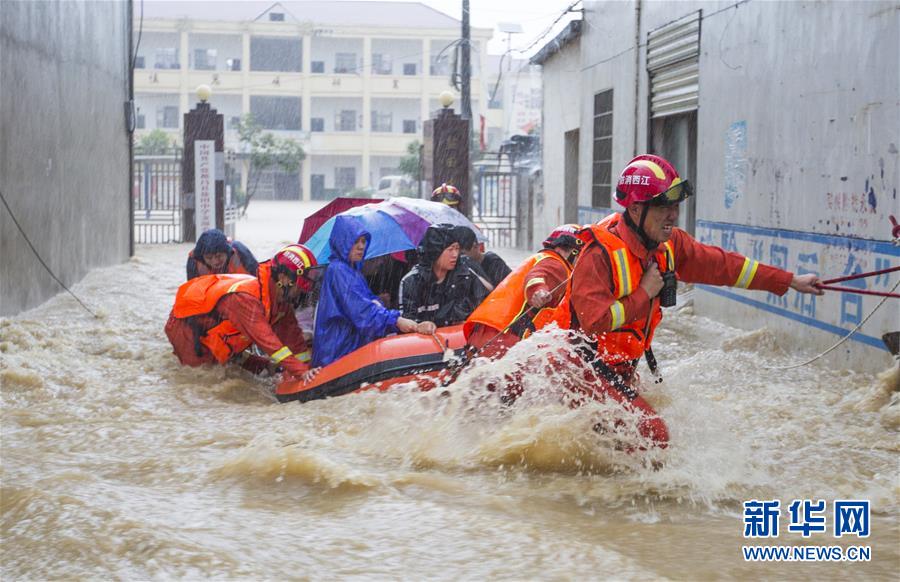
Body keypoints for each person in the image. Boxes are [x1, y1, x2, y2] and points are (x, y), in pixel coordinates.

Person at [564, 154, 823, 445]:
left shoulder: (669, 244)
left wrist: (788, 281)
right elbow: (594, 321)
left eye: (675, 206)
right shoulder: (598, 253)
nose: (673, 215)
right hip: (582, 369)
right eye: (664, 207)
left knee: (630, 439)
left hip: (620, 371)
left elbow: (723, 266)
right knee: (656, 436)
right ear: (636, 209)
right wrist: (644, 293)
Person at [165, 245, 319, 380]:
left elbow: (292, 337)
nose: (301, 291)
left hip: (213, 325)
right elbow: (267, 341)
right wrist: (300, 372)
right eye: (300, 286)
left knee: (259, 367)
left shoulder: (279, 300)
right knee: (205, 377)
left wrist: (305, 367)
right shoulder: (246, 299)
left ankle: (246, 362)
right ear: (284, 278)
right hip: (185, 327)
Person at [312, 215, 434, 368]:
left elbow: (364, 303)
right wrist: (397, 321)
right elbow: (363, 313)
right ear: (343, 242)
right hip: (338, 352)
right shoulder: (339, 270)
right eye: (355, 241)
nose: (361, 246)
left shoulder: (351, 271)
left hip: (345, 347)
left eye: (363, 241)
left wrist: (381, 304)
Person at [464, 224, 583, 358]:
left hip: (484, 334)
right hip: (505, 341)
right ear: (574, 251)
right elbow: (537, 277)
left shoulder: (538, 259)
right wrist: (538, 291)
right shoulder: (557, 264)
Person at [399, 224, 491, 327]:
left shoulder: (464, 275)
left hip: (459, 338)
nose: (455, 254)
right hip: (427, 340)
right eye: (450, 249)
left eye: (457, 249)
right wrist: (421, 326)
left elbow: (486, 303)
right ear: (436, 251)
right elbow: (407, 322)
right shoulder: (412, 281)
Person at [186, 228, 258, 280]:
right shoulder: (194, 260)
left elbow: (259, 279)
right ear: (202, 257)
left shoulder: (239, 251)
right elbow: (192, 292)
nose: (215, 261)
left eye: (219, 256)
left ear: (227, 252)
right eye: (209, 258)